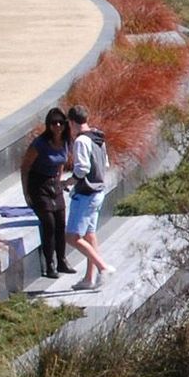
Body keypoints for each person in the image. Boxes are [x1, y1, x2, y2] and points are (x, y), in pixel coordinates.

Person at [18, 107, 75, 281]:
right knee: (48, 223)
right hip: (38, 184)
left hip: (53, 185)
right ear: (48, 125)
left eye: (60, 122)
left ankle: (62, 260)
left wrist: (59, 180)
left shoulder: (66, 142)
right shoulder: (40, 144)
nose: (57, 126)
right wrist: (26, 192)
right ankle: (49, 263)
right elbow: (25, 167)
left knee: (60, 222)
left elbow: (60, 163)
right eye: (53, 123)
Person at [66, 105, 114, 290]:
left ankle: (103, 267)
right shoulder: (98, 137)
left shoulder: (81, 142)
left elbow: (82, 169)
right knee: (90, 234)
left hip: (86, 194)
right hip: (98, 192)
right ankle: (89, 279)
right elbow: (106, 163)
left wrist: (68, 182)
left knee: (72, 237)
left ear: (72, 122)